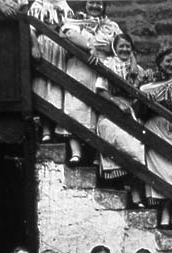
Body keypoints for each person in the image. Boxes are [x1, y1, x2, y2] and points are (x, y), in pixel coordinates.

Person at [58, 0, 121, 164]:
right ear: (85, 4)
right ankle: (76, 151)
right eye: (91, 2)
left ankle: (95, 156)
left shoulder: (111, 26)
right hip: (79, 70)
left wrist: (134, 64)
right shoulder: (77, 20)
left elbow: (123, 43)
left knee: (98, 111)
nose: (95, 6)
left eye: (99, 3)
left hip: (101, 72)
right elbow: (68, 33)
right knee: (76, 107)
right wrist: (89, 47)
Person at [95, 33, 150, 204]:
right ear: (114, 48)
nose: (125, 50)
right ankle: (121, 187)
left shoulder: (138, 70)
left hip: (131, 113)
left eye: (128, 46)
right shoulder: (108, 65)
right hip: (111, 112)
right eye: (121, 46)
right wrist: (116, 103)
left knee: (140, 146)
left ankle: (135, 194)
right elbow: (101, 89)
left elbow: (143, 91)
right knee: (126, 144)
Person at [139, 47, 172, 227]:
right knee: (162, 172)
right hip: (155, 127)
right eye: (168, 61)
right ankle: (164, 213)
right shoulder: (148, 80)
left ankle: (171, 213)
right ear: (160, 62)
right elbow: (140, 109)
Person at [28, 0, 75, 142]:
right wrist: (35, 46)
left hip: (59, 47)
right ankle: (46, 129)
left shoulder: (64, 5)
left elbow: (69, 27)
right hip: (43, 45)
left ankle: (58, 129)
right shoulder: (38, 4)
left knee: (57, 87)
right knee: (43, 85)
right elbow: (30, 28)